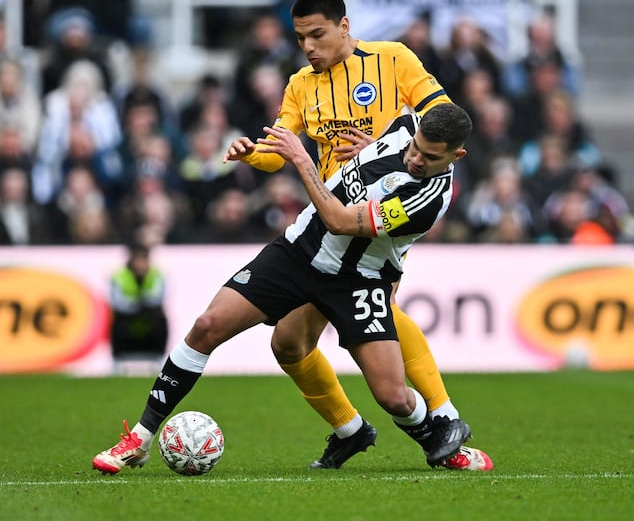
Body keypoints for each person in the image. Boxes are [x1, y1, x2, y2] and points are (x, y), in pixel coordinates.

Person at [93, 103, 475, 474]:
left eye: (428, 157)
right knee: (208, 326)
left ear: (456, 156)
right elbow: (389, 152)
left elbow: (341, 221)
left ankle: (438, 441)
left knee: (393, 396)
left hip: (358, 278)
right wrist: (370, 148)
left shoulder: (428, 199)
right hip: (298, 250)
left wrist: (302, 160)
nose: (415, 159)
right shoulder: (408, 125)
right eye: (415, 148)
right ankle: (140, 440)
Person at [227, 0, 493, 471]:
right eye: (300, 37)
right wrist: (253, 153)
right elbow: (277, 150)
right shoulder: (300, 86)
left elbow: (444, 119)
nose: (308, 46)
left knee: (380, 312)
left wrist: (389, 146)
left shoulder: (393, 59)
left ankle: (444, 417)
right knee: (288, 342)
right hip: (324, 223)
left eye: (317, 34)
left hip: (375, 219)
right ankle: (351, 429)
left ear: (344, 27)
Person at [108, 242, 169, 375]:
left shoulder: (156, 275)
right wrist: (139, 303)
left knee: (161, 321)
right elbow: (118, 303)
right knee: (115, 322)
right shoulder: (119, 276)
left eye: (144, 260)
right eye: (138, 260)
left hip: (150, 318)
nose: (141, 264)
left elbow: (159, 297)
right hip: (127, 319)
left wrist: (140, 302)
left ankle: (160, 361)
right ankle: (116, 364)